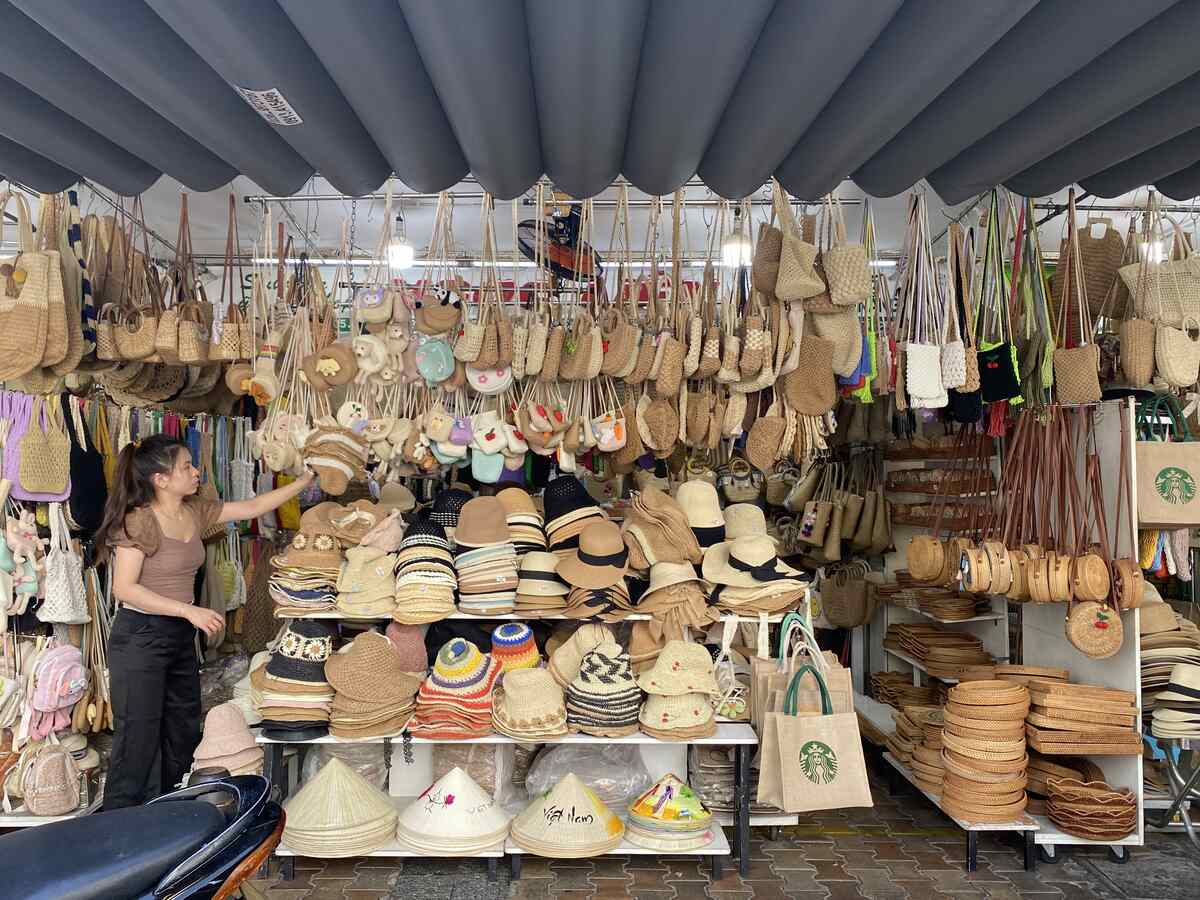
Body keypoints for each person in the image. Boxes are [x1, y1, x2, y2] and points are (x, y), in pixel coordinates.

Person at [94, 433, 315, 810]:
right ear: (160, 480)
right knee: (139, 737)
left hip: (178, 636)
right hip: (140, 637)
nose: (196, 472)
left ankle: (168, 816)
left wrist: (304, 481)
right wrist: (188, 610)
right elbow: (124, 589)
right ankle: (119, 830)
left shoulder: (194, 511)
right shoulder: (139, 522)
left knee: (180, 731)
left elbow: (253, 507)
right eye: (186, 466)